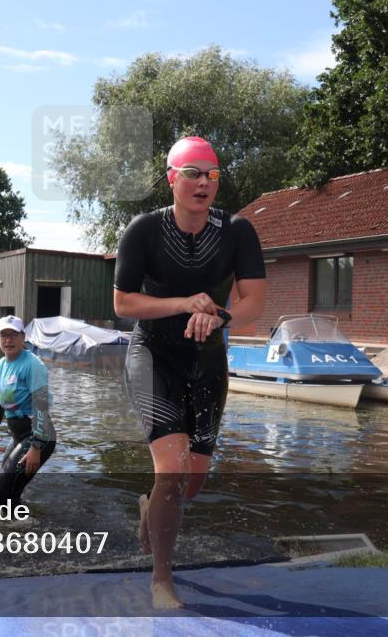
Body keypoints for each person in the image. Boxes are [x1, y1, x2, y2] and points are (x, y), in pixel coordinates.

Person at [114, 136, 266, 609]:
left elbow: (255, 304)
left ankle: (150, 505)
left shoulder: (238, 231)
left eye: (212, 175)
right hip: (153, 356)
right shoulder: (144, 230)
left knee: (191, 482)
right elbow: (123, 304)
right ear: (171, 179)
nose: (203, 183)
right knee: (173, 467)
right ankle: (162, 580)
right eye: (193, 173)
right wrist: (183, 303)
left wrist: (219, 315)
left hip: (206, 363)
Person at [0, 315, 56, 507]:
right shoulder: (0, 365)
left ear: (23, 337)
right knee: (8, 489)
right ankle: (19, 528)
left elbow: (41, 406)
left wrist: (36, 447)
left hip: (39, 436)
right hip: (18, 435)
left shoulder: (33, 365)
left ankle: (24, 530)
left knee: (2, 493)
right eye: (4, 335)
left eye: (14, 335)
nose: (8, 340)